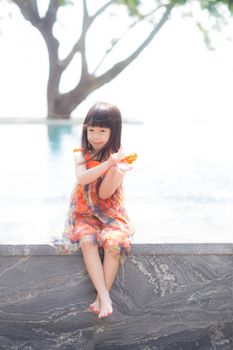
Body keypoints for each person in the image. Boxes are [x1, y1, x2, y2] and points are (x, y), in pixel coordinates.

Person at [62, 102, 136, 319]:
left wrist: (117, 171)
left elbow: (104, 194)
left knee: (113, 241)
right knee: (87, 239)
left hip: (112, 215)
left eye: (102, 131)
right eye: (91, 130)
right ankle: (105, 296)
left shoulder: (120, 159)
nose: (95, 136)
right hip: (85, 214)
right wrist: (107, 165)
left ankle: (100, 299)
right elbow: (83, 178)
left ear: (114, 132)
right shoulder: (81, 155)